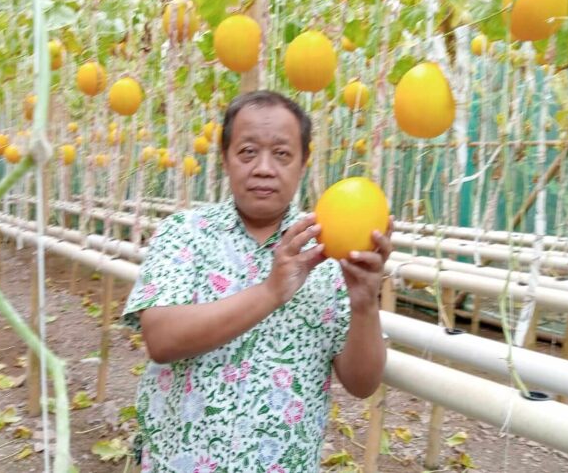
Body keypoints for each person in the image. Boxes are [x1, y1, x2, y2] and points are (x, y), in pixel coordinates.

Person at [122, 90, 392, 473]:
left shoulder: (329, 254)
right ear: (226, 160)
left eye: (282, 154)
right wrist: (271, 291)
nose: (264, 168)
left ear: (303, 165)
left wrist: (365, 302)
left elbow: (362, 384)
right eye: (248, 152)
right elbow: (161, 340)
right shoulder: (185, 233)